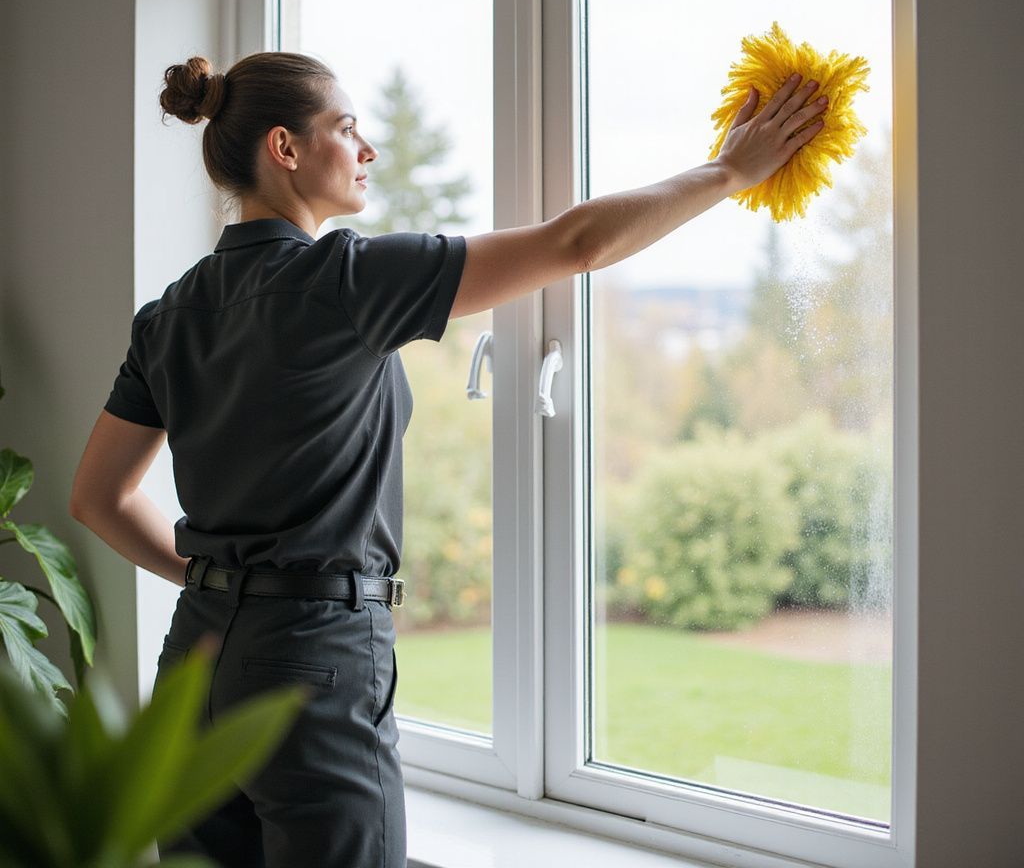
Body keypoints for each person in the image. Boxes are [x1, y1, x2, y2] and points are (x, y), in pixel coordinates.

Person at [68, 52, 827, 867]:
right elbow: (575, 243)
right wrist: (727, 173)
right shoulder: (347, 279)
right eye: (348, 129)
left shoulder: (169, 313)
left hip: (197, 658)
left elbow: (97, 498)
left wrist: (218, 584)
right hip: (311, 659)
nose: (368, 151)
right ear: (285, 149)